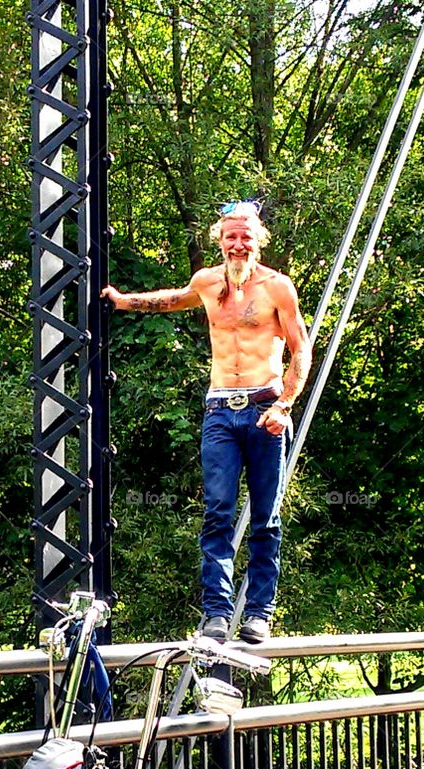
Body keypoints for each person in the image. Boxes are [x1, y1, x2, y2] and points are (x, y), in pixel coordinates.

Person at [103, 202, 311, 643]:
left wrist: (284, 405)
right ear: (220, 240)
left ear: (258, 242)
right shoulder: (207, 282)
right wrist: (123, 302)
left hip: (264, 408)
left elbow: (301, 348)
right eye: (230, 237)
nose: (238, 245)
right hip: (220, 409)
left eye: (246, 238)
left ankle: (258, 613)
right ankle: (216, 612)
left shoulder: (277, 287)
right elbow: (171, 300)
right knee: (217, 511)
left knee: (265, 518)